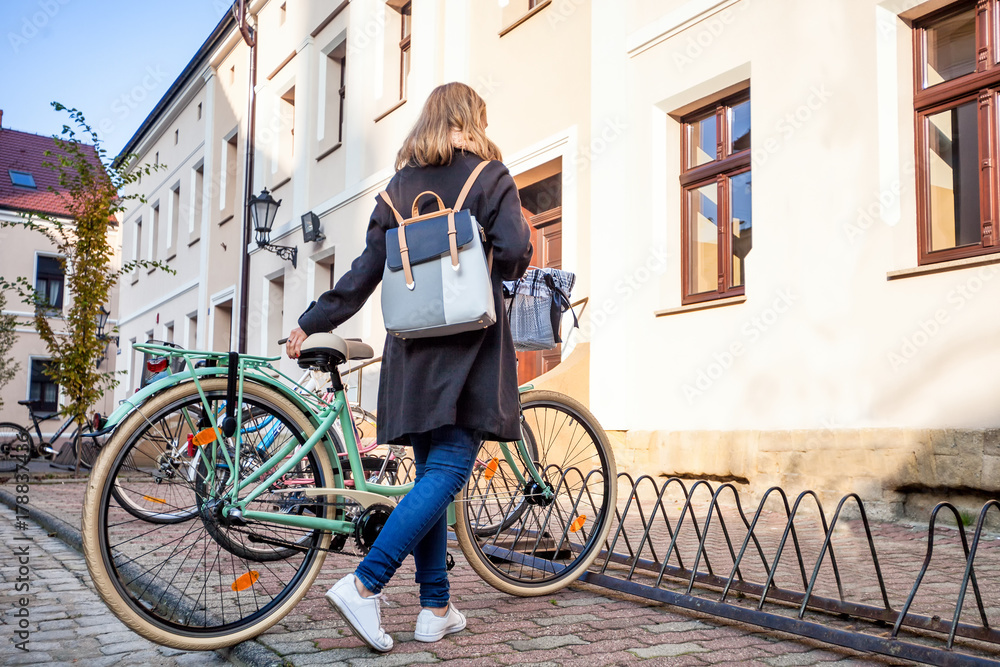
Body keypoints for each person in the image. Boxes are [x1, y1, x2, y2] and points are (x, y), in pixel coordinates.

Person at [284, 82, 532, 653]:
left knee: (429, 479)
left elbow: (364, 271)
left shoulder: (397, 191)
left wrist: (313, 318)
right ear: (469, 120)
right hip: (468, 349)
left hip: (412, 353)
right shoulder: (489, 176)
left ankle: (435, 606)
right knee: (448, 471)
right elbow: (515, 253)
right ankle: (365, 584)